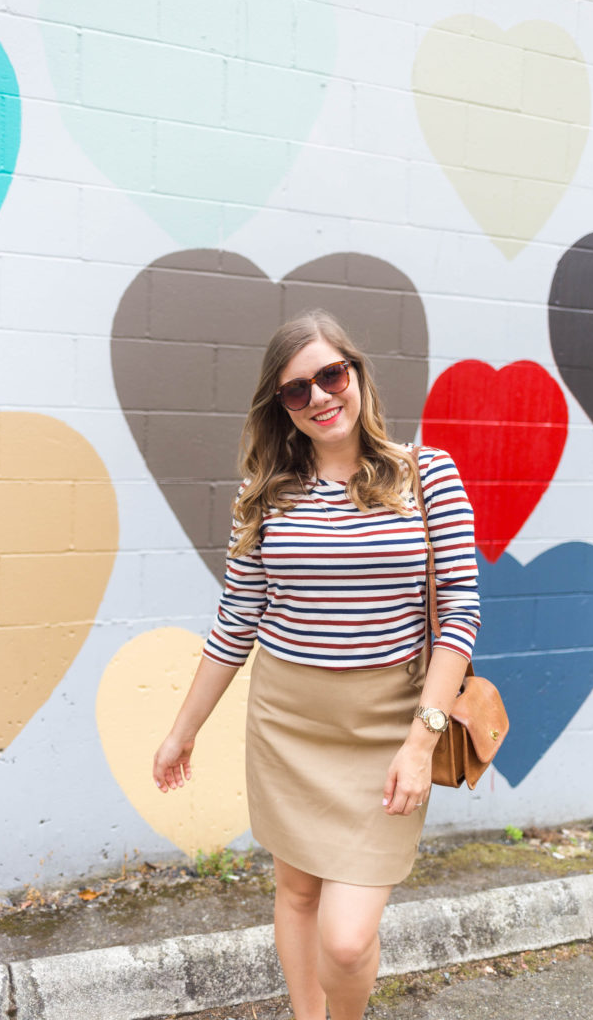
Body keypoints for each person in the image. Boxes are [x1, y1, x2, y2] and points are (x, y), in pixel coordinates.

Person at [152, 309, 480, 1020]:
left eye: (330, 376)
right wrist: (183, 731)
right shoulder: (263, 497)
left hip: (389, 729)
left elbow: (459, 612)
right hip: (288, 722)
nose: (319, 398)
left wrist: (421, 740)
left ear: (356, 373)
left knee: (347, 938)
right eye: (296, 391)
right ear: (281, 408)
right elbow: (236, 621)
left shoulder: (427, 476)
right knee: (298, 894)